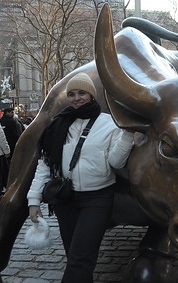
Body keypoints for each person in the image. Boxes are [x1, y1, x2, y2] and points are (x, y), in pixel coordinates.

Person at [27, 72, 135, 282]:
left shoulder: (109, 124)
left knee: (80, 256)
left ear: (92, 95)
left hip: (97, 198)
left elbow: (116, 162)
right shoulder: (59, 123)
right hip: (65, 198)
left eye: (82, 93)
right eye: (72, 94)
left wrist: (127, 135)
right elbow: (45, 164)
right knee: (74, 256)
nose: (77, 98)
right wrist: (34, 200)